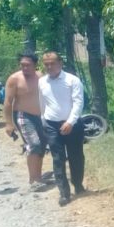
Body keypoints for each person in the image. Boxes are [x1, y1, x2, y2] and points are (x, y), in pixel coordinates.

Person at [38, 51, 86, 206]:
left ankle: (78, 184)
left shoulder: (72, 80)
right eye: (46, 64)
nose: (49, 66)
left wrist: (70, 122)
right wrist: (43, 119)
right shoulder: (42, 82)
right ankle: (64, 193)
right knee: (57, 158)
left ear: (60, 63)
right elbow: (42, 102)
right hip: (51, 124)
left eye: (52, 63)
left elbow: (78, 103)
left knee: (76, 156)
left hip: (72, 124)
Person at [4, 52, 48, 191]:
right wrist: (9, 123)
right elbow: (8, 102)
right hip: (23, 115)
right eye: (22, 65)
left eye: (28, 65)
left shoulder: (41, 77)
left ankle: (39, 177)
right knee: (34, 144)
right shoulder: (14, 79)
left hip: (41, 116)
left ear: (35, 65)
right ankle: (33, 180)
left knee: (42, 145)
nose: (25, 68)